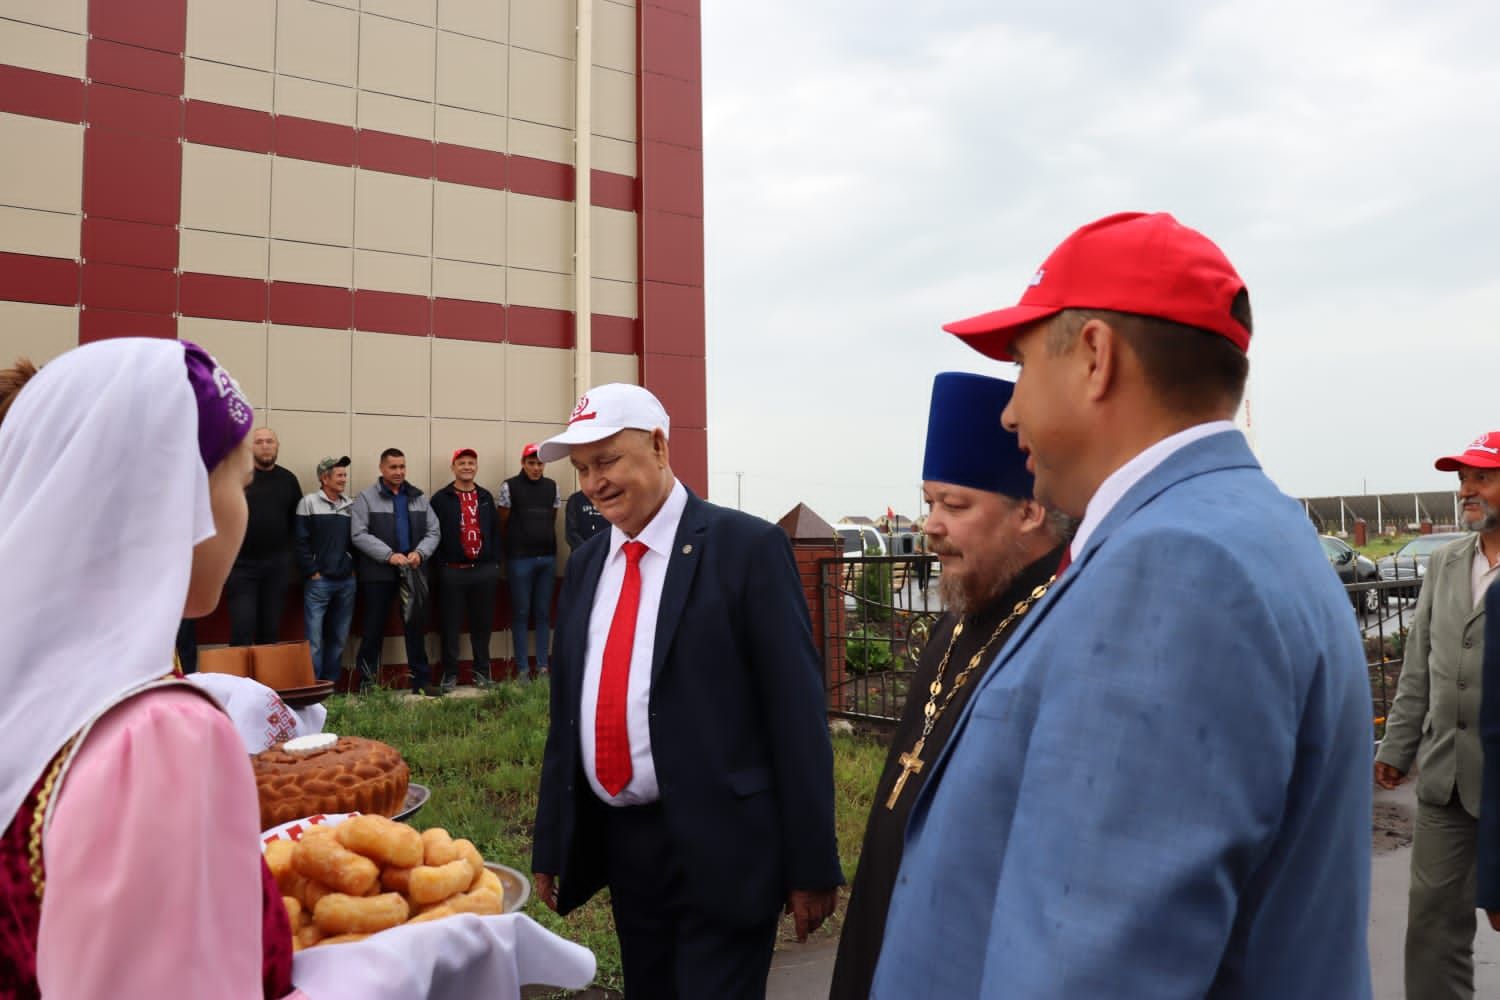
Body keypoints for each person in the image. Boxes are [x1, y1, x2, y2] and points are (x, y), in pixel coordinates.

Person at [0, 338, 595, 999]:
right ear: (173, 498)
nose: (244, 510)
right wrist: (400, 973)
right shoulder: (161, 735)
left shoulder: (41, 692)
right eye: (239, 483)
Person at [872, 212, 1372, 997]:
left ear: (1096, 357)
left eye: (1023, 363)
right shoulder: (1235, 526)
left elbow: (1092, 964)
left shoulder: (1178, 567)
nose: (1009, 412)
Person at [530, 383, 843, 999]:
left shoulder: (747, 549)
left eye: (608, 460)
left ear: (658, 444)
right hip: (627, 848)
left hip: (726, 847)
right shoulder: (591, 562)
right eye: (583, 469)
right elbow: (569, 712)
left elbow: (796, 717)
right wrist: (553, 839)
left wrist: (812, 864)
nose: (594, 483)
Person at [829, 372, 1070, 1000]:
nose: (929, 526)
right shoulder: (959, 618)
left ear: (1029, 509)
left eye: (953, 506)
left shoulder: (1064, 632)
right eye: (929, 502)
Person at [1380, 430, 1500, 998]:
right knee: (1431, 926)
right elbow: (1418, 665)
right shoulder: (1447, 564)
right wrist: (1397, 749)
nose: (1466, 491)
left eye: (1481, 478)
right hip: (1446, 779)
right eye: (1462, 480)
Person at [350, 448, 441, 695]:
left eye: (402, 466)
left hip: (412, 572)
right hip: (378, 573)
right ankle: (366, 686)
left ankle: (421, 682)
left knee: (415, 628)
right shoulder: (366, 498)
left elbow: (434, 531)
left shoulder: (418, 497)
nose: (399, 472)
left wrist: (420, 553)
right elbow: (358, 533)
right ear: (381, 468)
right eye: (393, 467)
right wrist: (389, 555)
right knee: (373, 629)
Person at [429, 448, 502, 691]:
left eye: (471, 463)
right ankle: (450, 674)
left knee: (482, 625)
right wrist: (440, 567)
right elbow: (433, 533)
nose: (467, 467)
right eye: (462, 463)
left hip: (483, 571)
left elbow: (494, 530)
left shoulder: (485, 497)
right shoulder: (441, 498)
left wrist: (494, 564)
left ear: (476, 467)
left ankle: (482, 672)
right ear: (453, 467)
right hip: (452, 571)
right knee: (450, 625)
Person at [224, 427, 302, 645]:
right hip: (241, 568)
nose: (265, 446)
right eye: (259, 441)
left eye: (270, 441)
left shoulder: (288, 480)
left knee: (269, 634)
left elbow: (297, 524)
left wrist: (290, 560)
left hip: (276, 569)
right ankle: (238, 680)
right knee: (242, 631)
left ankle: (264, 681)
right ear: (250, 447)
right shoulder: (238, 478)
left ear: (277, 446)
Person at [499, 444, 560, 680]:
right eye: (531, 463)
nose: (536, 468)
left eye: (540, 463)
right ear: (523, 463)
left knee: (544, 613)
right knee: (522, 613)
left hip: (547, 557)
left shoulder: (551, 486)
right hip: (519, 559)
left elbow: (553, 517)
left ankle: (543, 666)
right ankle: (523, 669)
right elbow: (502, 521)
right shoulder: (510, 486)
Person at [295, 455, 357, 683]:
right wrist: (312, 571)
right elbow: (300, 541)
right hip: (319, 582)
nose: (344, 479)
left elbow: (356, 541)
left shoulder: (349, 504)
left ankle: (331, 686)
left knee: (339, 637)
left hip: (346, 582)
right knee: (315, 639)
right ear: (324, 478)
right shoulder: (308, 503)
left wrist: (352, 568)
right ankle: (314, 686)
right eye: (339, 475)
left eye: (344, 475)